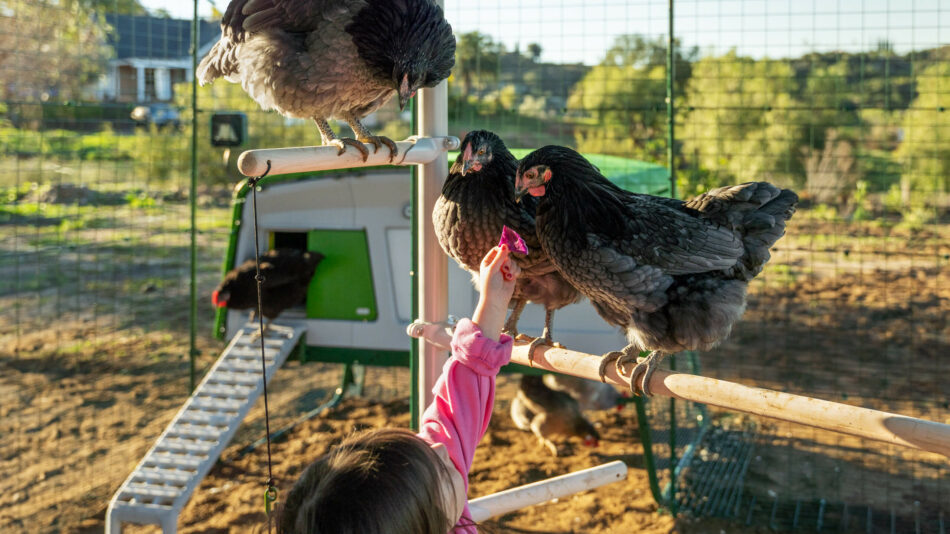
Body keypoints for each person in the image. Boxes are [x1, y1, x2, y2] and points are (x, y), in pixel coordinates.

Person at [277, 245, 521, 533]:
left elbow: (457, 407)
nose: (441, 449)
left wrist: (493, 301)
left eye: (424, 449)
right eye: (440, 471)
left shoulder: (420, 488)